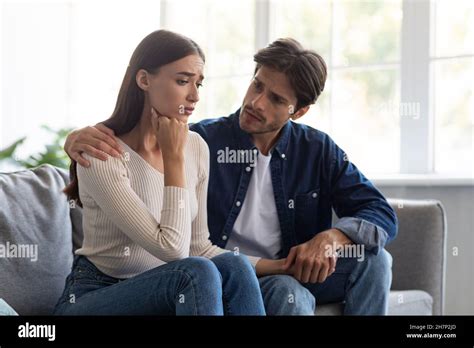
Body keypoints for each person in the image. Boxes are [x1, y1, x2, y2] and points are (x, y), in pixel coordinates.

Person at [64, 37, 398, 315]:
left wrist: (332, 238)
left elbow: (381, 213)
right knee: (275, 288)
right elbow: (145, 147)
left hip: (278, 264)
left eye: (276, 99)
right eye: (257, 85)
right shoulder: (206, 139)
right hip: (216, 273)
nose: (255, 102)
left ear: (299, 111)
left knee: (376, 260)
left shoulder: (317, 149)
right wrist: (74, 139)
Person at [54, 30, 270, 316]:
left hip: (161, 290)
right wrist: (173, 157)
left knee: (235, 265)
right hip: (95, 295)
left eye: (198, 84)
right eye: (182, 81)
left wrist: (281, 266)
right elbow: (173, 251)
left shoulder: (196, 146)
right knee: (194, 273)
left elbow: (197, 247)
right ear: (144, 80)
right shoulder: (102, 154)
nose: (193, 96)